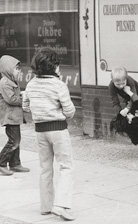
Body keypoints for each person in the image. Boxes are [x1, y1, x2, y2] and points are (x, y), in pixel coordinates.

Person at [22, 48, 76, 221]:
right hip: (58, 130)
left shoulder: (31, 84)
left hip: (40, 130)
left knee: (45, 168)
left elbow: (25, 107)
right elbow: (69, 111)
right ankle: (61, 205)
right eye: (57, 64)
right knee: (66, 167)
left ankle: (46, 206)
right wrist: (61, 113)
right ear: (53, 66)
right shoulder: (59, 85)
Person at [0, 55, 30, 175]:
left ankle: (15, 164)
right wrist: (23, 99)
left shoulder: (12, 81)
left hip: (14, 117)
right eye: (16, 69)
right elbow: (11, 99)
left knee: (16, 140)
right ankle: (1, 163)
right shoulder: (5, 82)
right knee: (13, 141)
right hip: (10, 117)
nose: (19, 71)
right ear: (8, 69)